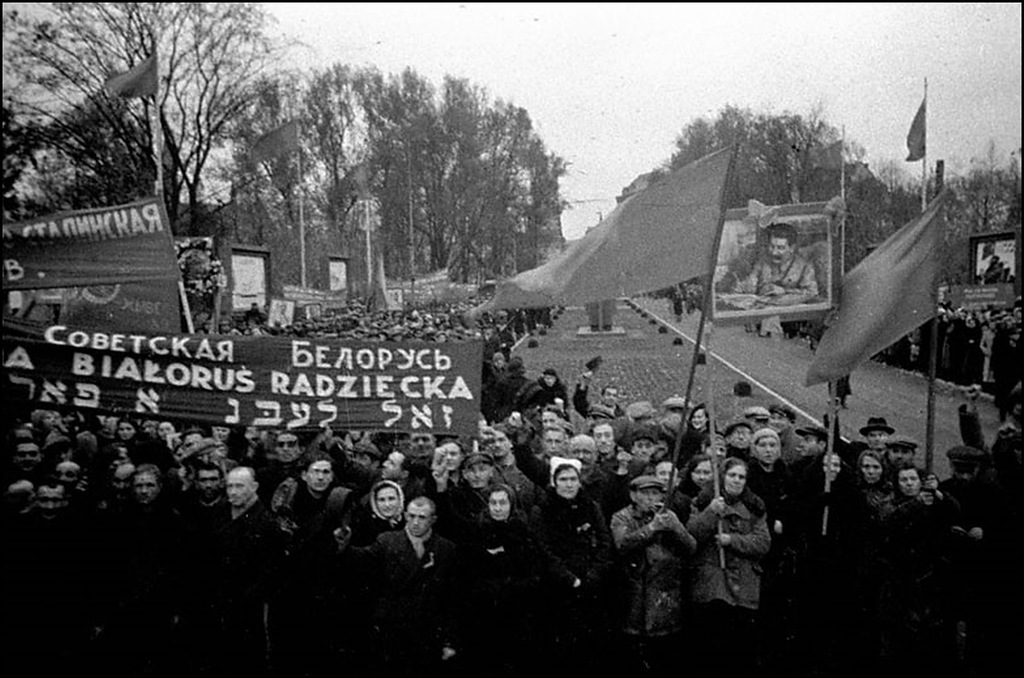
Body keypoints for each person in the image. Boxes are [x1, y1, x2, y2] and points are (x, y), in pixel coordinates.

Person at [335, 496, 460, 675]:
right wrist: (344, 546)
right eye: (411, 516)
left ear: (433, 519)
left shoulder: (446, 549)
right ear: (405, 516)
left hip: (428, 633)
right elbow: (361, 561)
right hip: (391, 631)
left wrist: (450, 641)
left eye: (422, 517)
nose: (415, 522)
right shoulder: (387, 541)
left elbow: (450, 599)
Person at [687, 457, 770, 676]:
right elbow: (691, 536)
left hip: (744, 583)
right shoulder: (703, 501)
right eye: (732, 475)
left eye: (741, 477)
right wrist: (711, 513)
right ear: (722, 477)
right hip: (713, 581)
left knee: (739, 649)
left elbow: (763, 543)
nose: (736, 480)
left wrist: (731, 540)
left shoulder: (755, 506)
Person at [532, 460, 614, 670]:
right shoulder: (542, 510)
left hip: (590, 582)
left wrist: (594, 573)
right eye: (563, 479)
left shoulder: (591, 506)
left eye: (573, 479)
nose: (568, 484)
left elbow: (604, 541)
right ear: (554, 482)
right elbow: (544, 550)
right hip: (559, 585)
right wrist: (569, 578)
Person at [610, 475, 696, 673]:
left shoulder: (669, 516)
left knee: (664, 651)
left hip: (665, 595)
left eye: (655, 493)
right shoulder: (622, 517)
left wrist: (676, 528)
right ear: (633, 495)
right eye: (645, 493)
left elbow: (691, 547)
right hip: (635, 593)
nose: (651, 498)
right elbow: (622, 544)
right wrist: (651, 528)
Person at [726, 222, 819, 306]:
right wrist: (742, 287)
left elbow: (812, 292)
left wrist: (784, 291)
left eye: (780, 248)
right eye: (772, 246)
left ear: (792, 248)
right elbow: (751, 283)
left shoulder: (804, 266)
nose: (774, 252)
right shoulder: (763, 262)